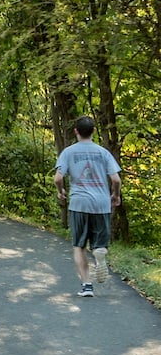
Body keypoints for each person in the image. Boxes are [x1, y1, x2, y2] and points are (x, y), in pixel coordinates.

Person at [53, 115, 122, 297]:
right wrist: (115, 195)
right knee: (98, 243)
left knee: (79, 246)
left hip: (79, 203)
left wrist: (61, 191)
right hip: (101, 204)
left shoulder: (68, 152)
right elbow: (115, 179)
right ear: (93, 131)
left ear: (76, 131)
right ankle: (99, 252)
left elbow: (58, 178)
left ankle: (87, 286)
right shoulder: (103, 153)